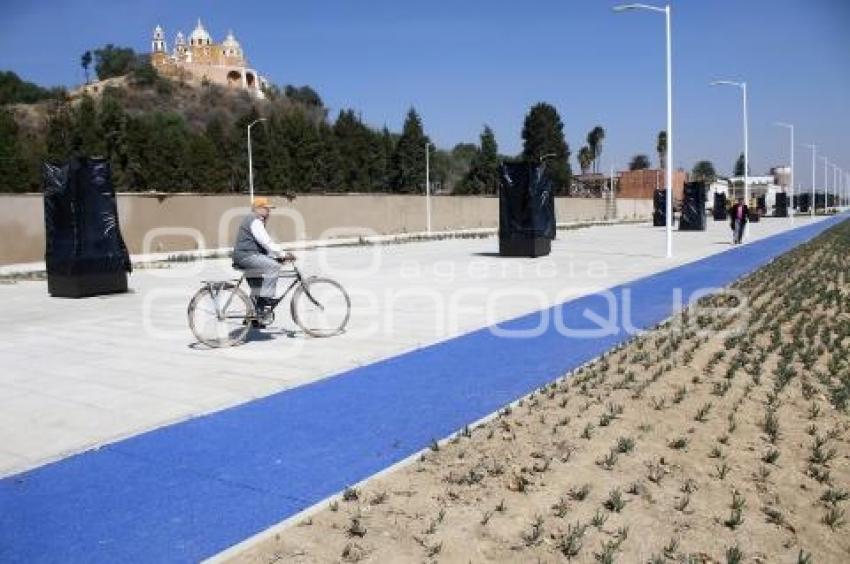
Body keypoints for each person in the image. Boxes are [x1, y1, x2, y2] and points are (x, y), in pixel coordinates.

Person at [231, 197, 295, 323]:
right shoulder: (255, 221)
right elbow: (266, 242)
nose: (269, 212)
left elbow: (262, 248)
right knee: (274, 267)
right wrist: (282, 254)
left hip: (245, 256)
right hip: (246, 256)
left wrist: (277, 257)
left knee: (258, 287)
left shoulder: (254, 220)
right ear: (258, 209)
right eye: (267, 209)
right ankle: (265, 300)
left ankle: (253, 318)